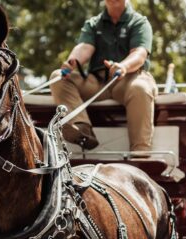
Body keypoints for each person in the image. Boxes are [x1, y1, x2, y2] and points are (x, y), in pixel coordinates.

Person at [50, 0, 156, 153]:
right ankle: (82, 128)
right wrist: (72, 61)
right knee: (58, 76)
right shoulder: (93, 23)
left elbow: (139, 54)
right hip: (98, 82)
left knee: (140, 88)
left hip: (129, 78)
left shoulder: (139, 22)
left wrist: (123, 66)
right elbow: (85, 47)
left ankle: (141, 154)